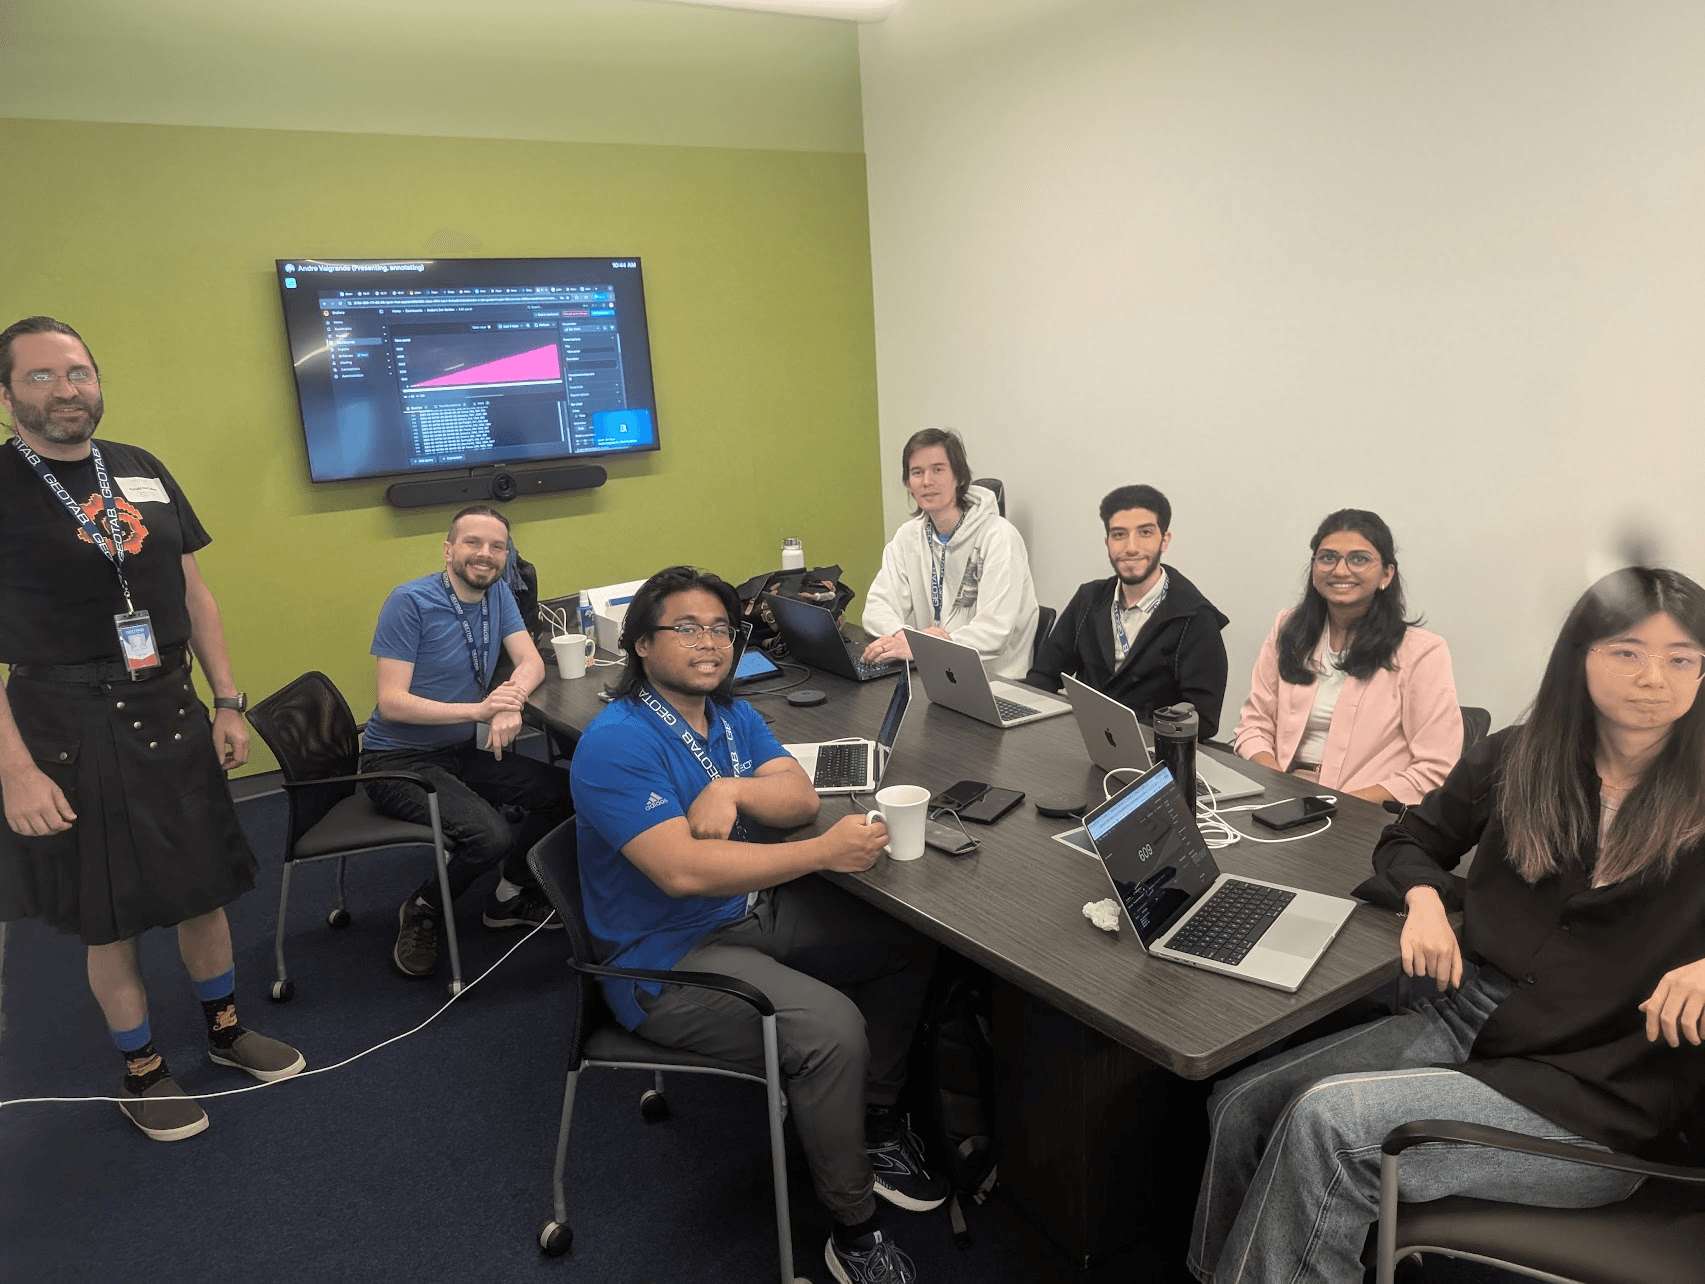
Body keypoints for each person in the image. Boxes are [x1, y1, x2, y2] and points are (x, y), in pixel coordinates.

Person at [1190, 566, 1705, 1283]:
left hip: (1592, 1093)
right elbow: (1406, 839)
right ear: (1579, 656)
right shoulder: (1520, 757)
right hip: (1470, 1016)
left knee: (1327, 1126)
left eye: (1681, 659)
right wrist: (1428, 901)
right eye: (1627, 652)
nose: (1654, 678)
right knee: (1242, 1103)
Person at [572, 565, 944, 1284]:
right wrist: (822, 857)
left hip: (743, 915)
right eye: (685, 627)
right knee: (830, 1031)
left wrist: (732, 785)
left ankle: (866, 1121)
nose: (707, 642)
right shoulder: (616, 741)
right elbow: (680, 870)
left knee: (906, 943)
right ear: (642, 646)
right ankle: (853, 1226)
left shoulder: (729, 714)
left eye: (719, 627)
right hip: (662, 961)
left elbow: (799, 798)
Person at [0, 315, 303, 1143]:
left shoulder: (138, 468)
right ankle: (142, 1070)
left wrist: (229, 699)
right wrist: (16, 773)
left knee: (202, 888)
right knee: (114, 912)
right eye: (41, 377)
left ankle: (227, 1031)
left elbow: (193, 593)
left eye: (79, 372)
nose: (67, 390)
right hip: (67, 724)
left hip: (170, 705)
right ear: (5, 395)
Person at [360, 504, 572, 979]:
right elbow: (392, 702)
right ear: (449, 549)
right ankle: (423, 907)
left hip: (459, 751)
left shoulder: (497, 594)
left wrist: (510, 700)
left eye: (498, 546)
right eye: (474, 543)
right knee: (490, 837)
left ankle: (508, 895)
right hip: (398, 759)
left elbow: (530, 661)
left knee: (567, 792)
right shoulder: (409, 602)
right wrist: (481, 710)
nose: (486, 554)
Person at [1232, 509, 1462, 804]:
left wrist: (1335, 806)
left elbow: (1436, 768)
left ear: (1386, 574)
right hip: (1279, 793)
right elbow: (1254, 725)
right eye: (1327, 557)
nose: (1340, 571)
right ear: (1314, 568)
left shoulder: (1422, 652)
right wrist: (1276, 787)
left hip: (1364, 809)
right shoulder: (1287, 628)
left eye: (1359, 559)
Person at [1025, 483, 1230, 738]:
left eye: (1145, 532)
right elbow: (1043, 676)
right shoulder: (1088, 600)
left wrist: (1130, 732)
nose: (1130, 547)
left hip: (1154, 753)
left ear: (1164, 540)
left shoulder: (1194, 618)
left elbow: (1204, 719)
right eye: (1119, 534)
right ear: (1107, 541)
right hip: (1083, 741)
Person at [861, 428, 1040, 681]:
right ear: (908, 485)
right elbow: (877, 607)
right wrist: (903, 636)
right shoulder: (907, 537)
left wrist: (921, 646)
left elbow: (994, 632)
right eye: (917, 472)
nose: (926, 481)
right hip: (937, 675)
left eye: (938, 469)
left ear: (959, 477)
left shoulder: (1000, 537)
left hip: (997, 683)